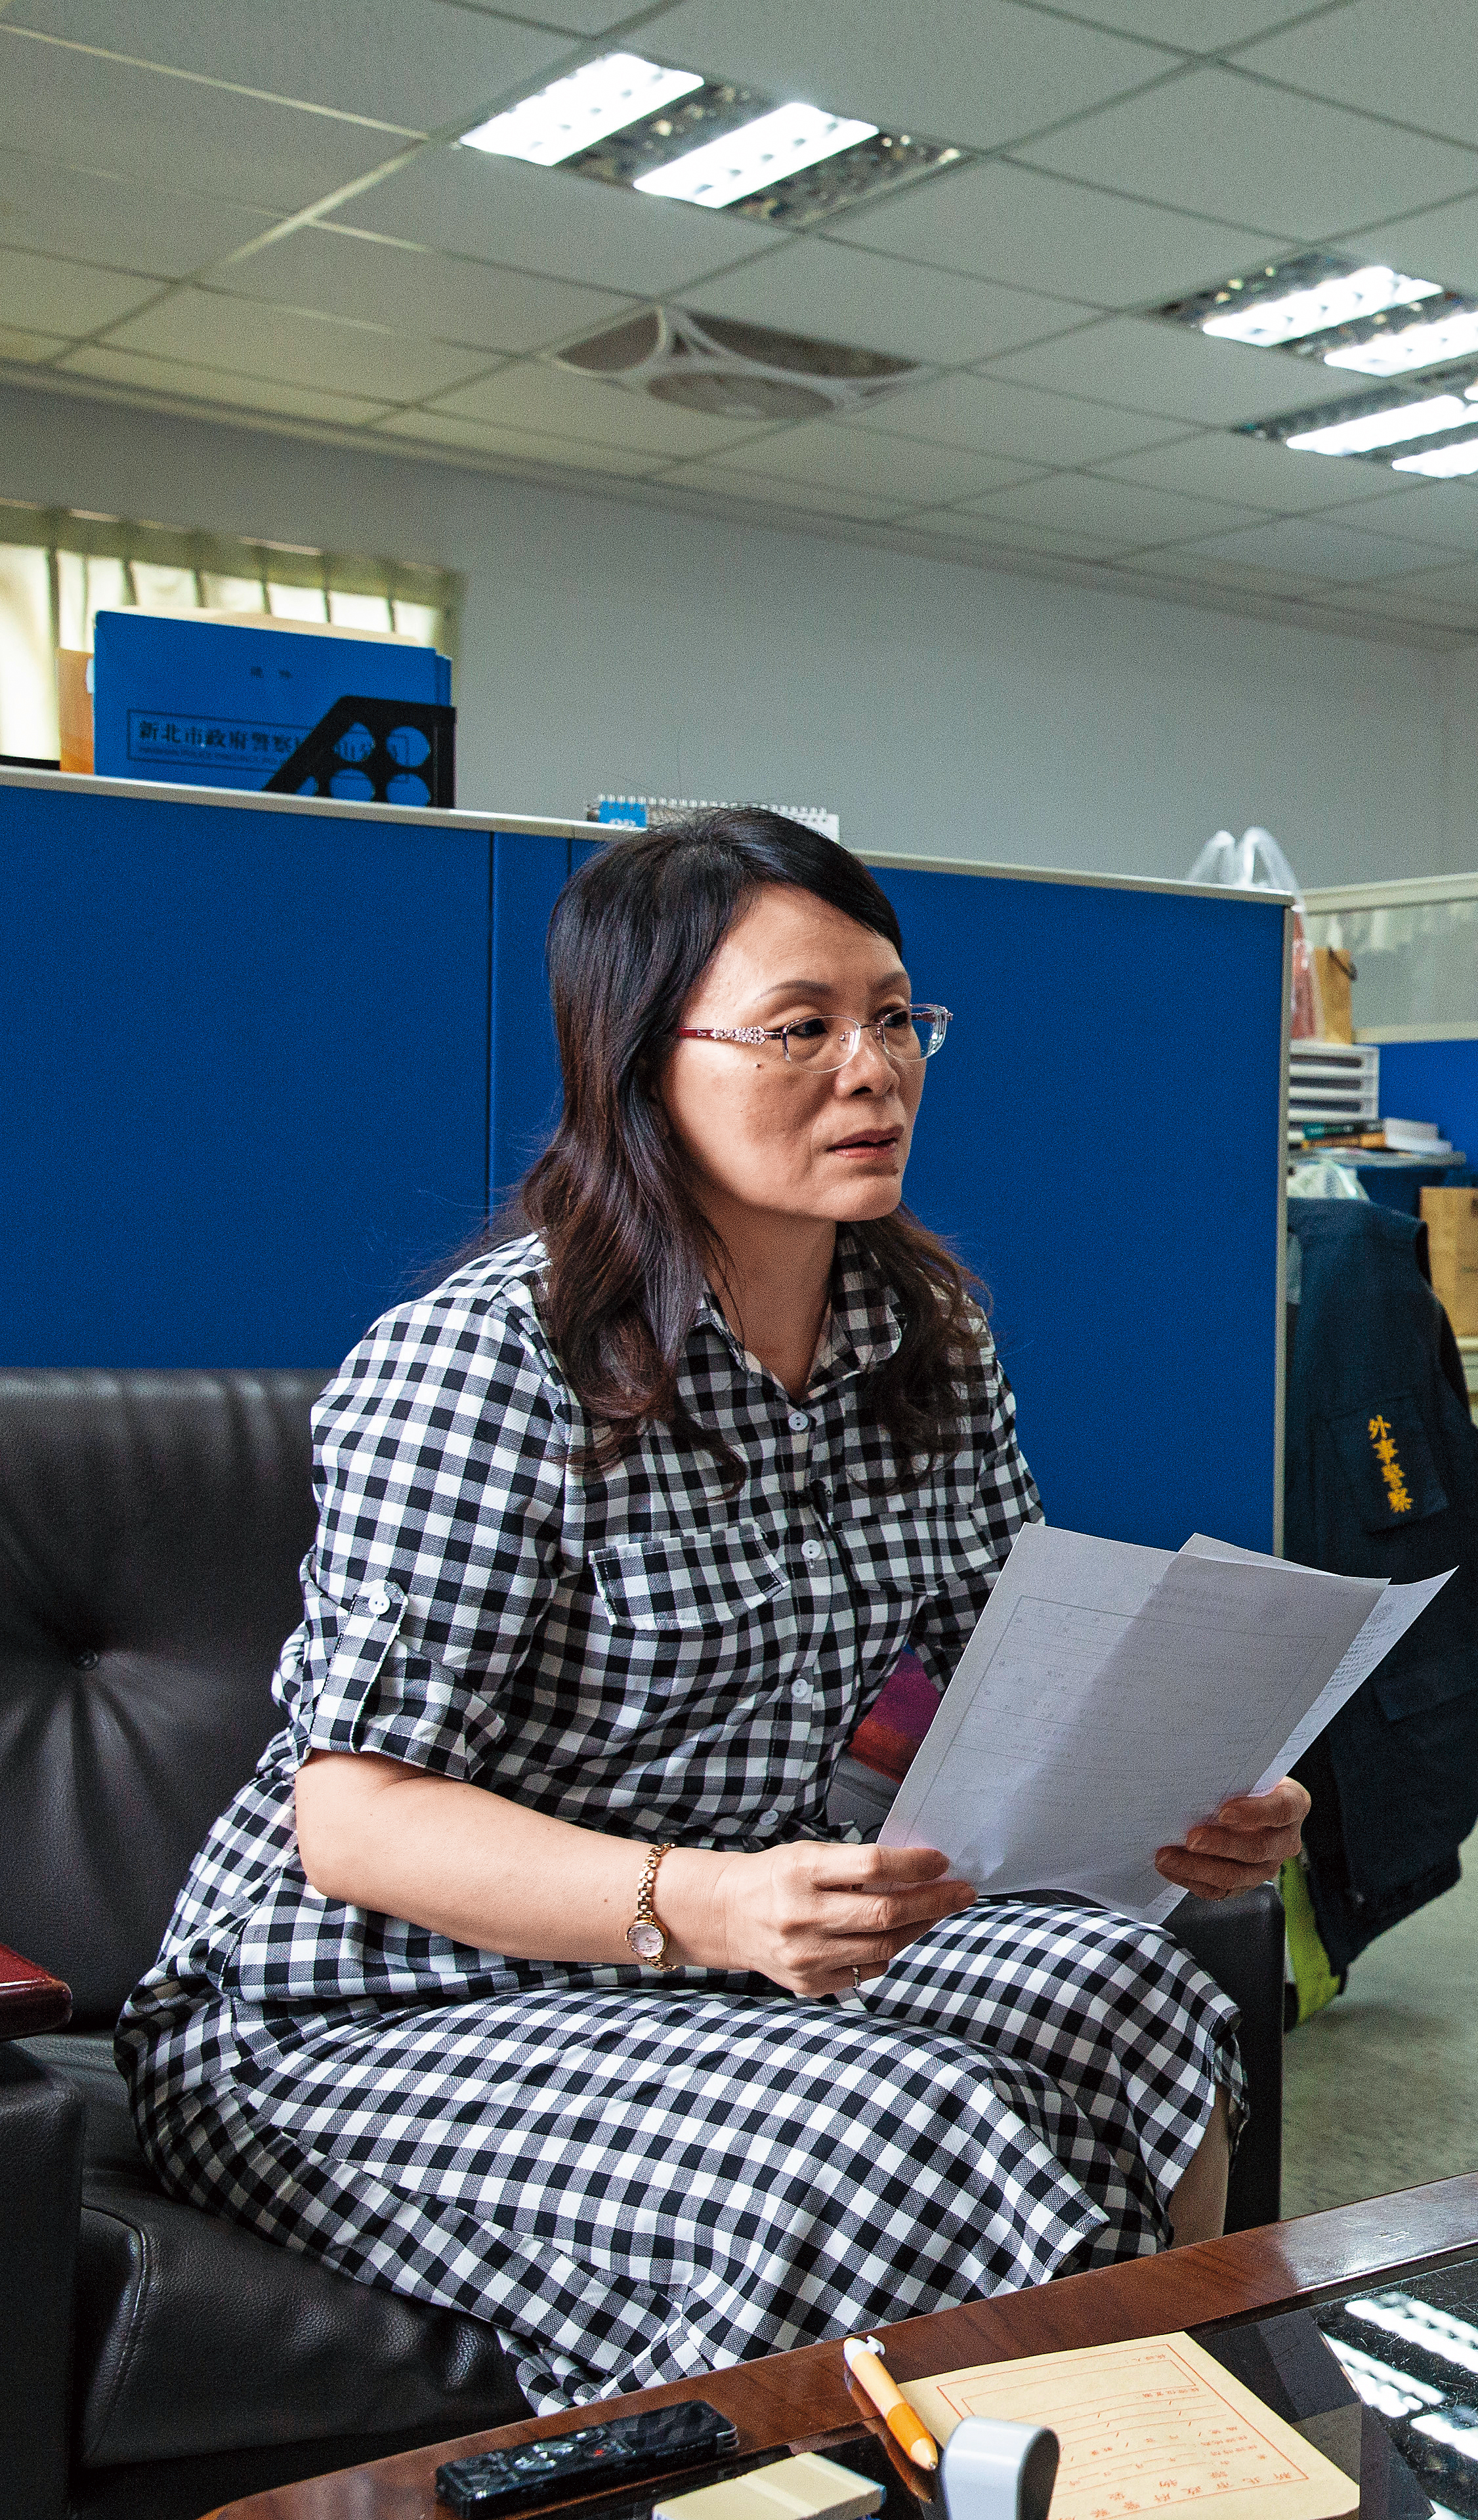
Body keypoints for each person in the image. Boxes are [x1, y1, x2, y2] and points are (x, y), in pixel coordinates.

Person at [121, 808, 1307, 2411]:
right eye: (799, 1029)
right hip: (356, 2006)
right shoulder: (483, 1364)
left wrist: (1194, 1795)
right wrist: (717, 1906)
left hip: (712, 1955)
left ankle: (1162, 2446)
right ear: (640, 1064)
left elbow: (1011, 1686)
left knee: (1134, 1995)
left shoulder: (925, 1344)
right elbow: (357, 1827)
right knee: (895, 2134)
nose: (873, 1069)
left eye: (895, 1017)